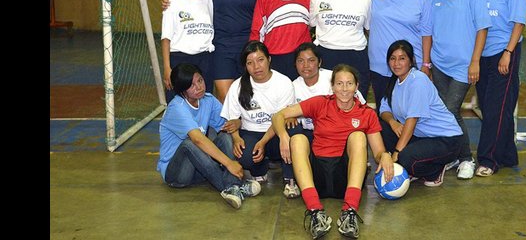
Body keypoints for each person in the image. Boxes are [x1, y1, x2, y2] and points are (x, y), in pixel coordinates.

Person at [272, 64, 394, 240]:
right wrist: (283, 136)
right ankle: (315, 212)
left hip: (345, 177)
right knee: (298, 139)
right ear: (333, 86)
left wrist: (385, 156)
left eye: (349, 83)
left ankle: (349, 213)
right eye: (339, 83)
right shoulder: (321, 103)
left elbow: (378, 151)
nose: (344, 89)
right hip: (317, 175)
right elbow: (278, 116)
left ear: (357, 86)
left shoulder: (366, 113)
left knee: (358, 136)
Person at [162, 0, 263, 103]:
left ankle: (249, 128)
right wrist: (170, 1)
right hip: (221, 46)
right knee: (226, 98)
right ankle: (230, 129)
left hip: (248, 46)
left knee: (249, 96)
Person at [424, 0, 492, 180]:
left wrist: (475, 61)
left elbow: (482, 29)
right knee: (448, 112)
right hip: (440, 64)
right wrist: (427, 63)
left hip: (464, 67)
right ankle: (454, 154)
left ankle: (466, 159)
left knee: (450, 110)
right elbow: (427, 33)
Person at [156, 63, 261, 209]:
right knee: (190, 142)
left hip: (200, 171)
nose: (199, 87)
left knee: (225, 136)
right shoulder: (177, 107)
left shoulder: (208, 100)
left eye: (200, 80)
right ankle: (233, 186)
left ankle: (233, 186)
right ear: (181, 89)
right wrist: (229, 163)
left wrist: (237, 122)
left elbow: (227, 125)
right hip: (177, 174)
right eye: (191, 85)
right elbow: (198, 140)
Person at [220, 40, 299, 198]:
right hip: (251, 132)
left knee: (294, 129)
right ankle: (259, 170)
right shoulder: (237, 86)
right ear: (245, 66)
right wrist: (236, 138)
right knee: (244, 154)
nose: (256, 67)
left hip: (276, 132)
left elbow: (280, 118)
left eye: (260, 60)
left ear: (269, 60)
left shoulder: (283, 83)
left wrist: (262, 142)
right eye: (250, 63)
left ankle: (290, 179)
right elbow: (232, 120)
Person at [474, 0, 526, 177]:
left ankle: (488, 160)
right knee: (492, 108)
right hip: (483, 56)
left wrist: (508, 51)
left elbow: (518, 23)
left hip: (504, 53)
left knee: (496, 110)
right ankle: (507, 155)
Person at [378, 40, 463, 187]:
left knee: (406, 158)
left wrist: (396, 154)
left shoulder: (418, 81)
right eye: (393, 58)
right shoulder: (394, 82)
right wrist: (393, 123)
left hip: (446, 140)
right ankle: (415, 166)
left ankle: (435, 170)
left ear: (411, 61)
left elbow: (412, 120)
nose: (396, 63)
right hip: (423, 137)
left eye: (402, 58)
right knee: (383, 126)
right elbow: (383, 110)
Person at [365, 0, 431, 112]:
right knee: (384, 111)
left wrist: (426, 64)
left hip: (411, 67)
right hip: (380, 66)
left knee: (410, 112)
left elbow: (427, 33)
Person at [309, 0, 372, 98]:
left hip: (356, 55)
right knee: (327, 101)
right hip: (326, 55)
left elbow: (368, 28)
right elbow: (311, 24)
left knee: (357, 102)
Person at [250, 0, 316, 80]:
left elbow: (317, 21)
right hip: (275, 57)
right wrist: (255, 55)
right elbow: (257, 28)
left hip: (301, 58)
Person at [160, 0, 215, 103]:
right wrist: (167, 67)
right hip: (179, 59)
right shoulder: (172, 3)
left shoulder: (209, 1)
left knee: (203, 102)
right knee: (178, 102)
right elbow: (166, 38)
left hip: (204, 60)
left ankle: (201, 127)